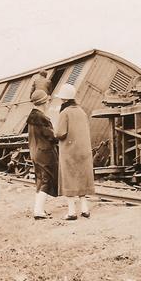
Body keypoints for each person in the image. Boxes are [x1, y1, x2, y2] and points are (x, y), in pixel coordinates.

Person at [54, 84, 95, 220]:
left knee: (69, 180)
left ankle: (71, 212)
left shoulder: (64, 113)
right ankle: (85, 209)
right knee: (82, 179)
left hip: (70, 151)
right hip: (83, 151)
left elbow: (60, 133)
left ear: (64, 100)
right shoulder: (82, 112)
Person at [26, 90, 59, 219]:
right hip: (44, 153)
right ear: (43, 102)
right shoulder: (41, 118)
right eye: (47, 100)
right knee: (46, 180)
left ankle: (38, 209)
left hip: (35, 152)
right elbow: (51, 136)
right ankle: (38, 211)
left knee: (40, 180)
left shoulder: (32, 117)